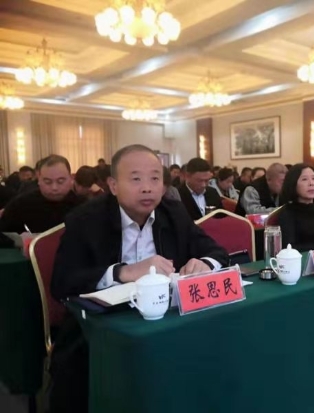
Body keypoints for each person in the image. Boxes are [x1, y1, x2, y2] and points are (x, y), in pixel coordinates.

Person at [49, 144, 228, 413]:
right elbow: (62, 281)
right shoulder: (85, 220)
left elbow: (217, 252)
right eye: (136, 179)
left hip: (168, 324)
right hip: (100, 330)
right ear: (113, 185)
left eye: (155, 179)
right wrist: (122, 272)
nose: (147, 188)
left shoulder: (174, 212)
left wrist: (204, 263)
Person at [0, 155, 84, 233]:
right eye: (47, 182)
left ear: (71, 179)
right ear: (38, 180)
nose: (54, 187)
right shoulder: (20, 205)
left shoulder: (83, 206)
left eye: (60, 181)